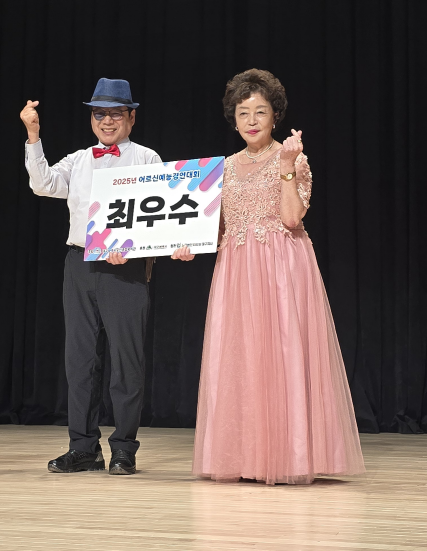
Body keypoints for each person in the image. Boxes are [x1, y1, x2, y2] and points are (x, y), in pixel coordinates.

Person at [191, 69, 366, 484]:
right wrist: (187, 244)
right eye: (243, 112)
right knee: (242, 360)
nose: (251, 120)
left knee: (282, 355)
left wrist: (287, 166)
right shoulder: (222, 169)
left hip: (282, 269)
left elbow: (291, 218)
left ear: (275, 116)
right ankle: (246, 457)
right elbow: (214, 229)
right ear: (233, 119)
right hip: (236, 271)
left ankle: (290, 456)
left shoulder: (292, 158)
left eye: (260, 111)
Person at [22, 78, 189, 475]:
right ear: (91, 118)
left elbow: (161, 212)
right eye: (100, 114)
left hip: (125, 269)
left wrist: (166, 244)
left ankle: (124, 448)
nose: (107, 121)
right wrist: (33, 136)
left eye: (116, 113)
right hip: (80, 264)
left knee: (127, 360)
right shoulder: (79, 159)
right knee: (79, 360)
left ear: (131, 117)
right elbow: (42, 185)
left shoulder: (146, 158)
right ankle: (83, 447)